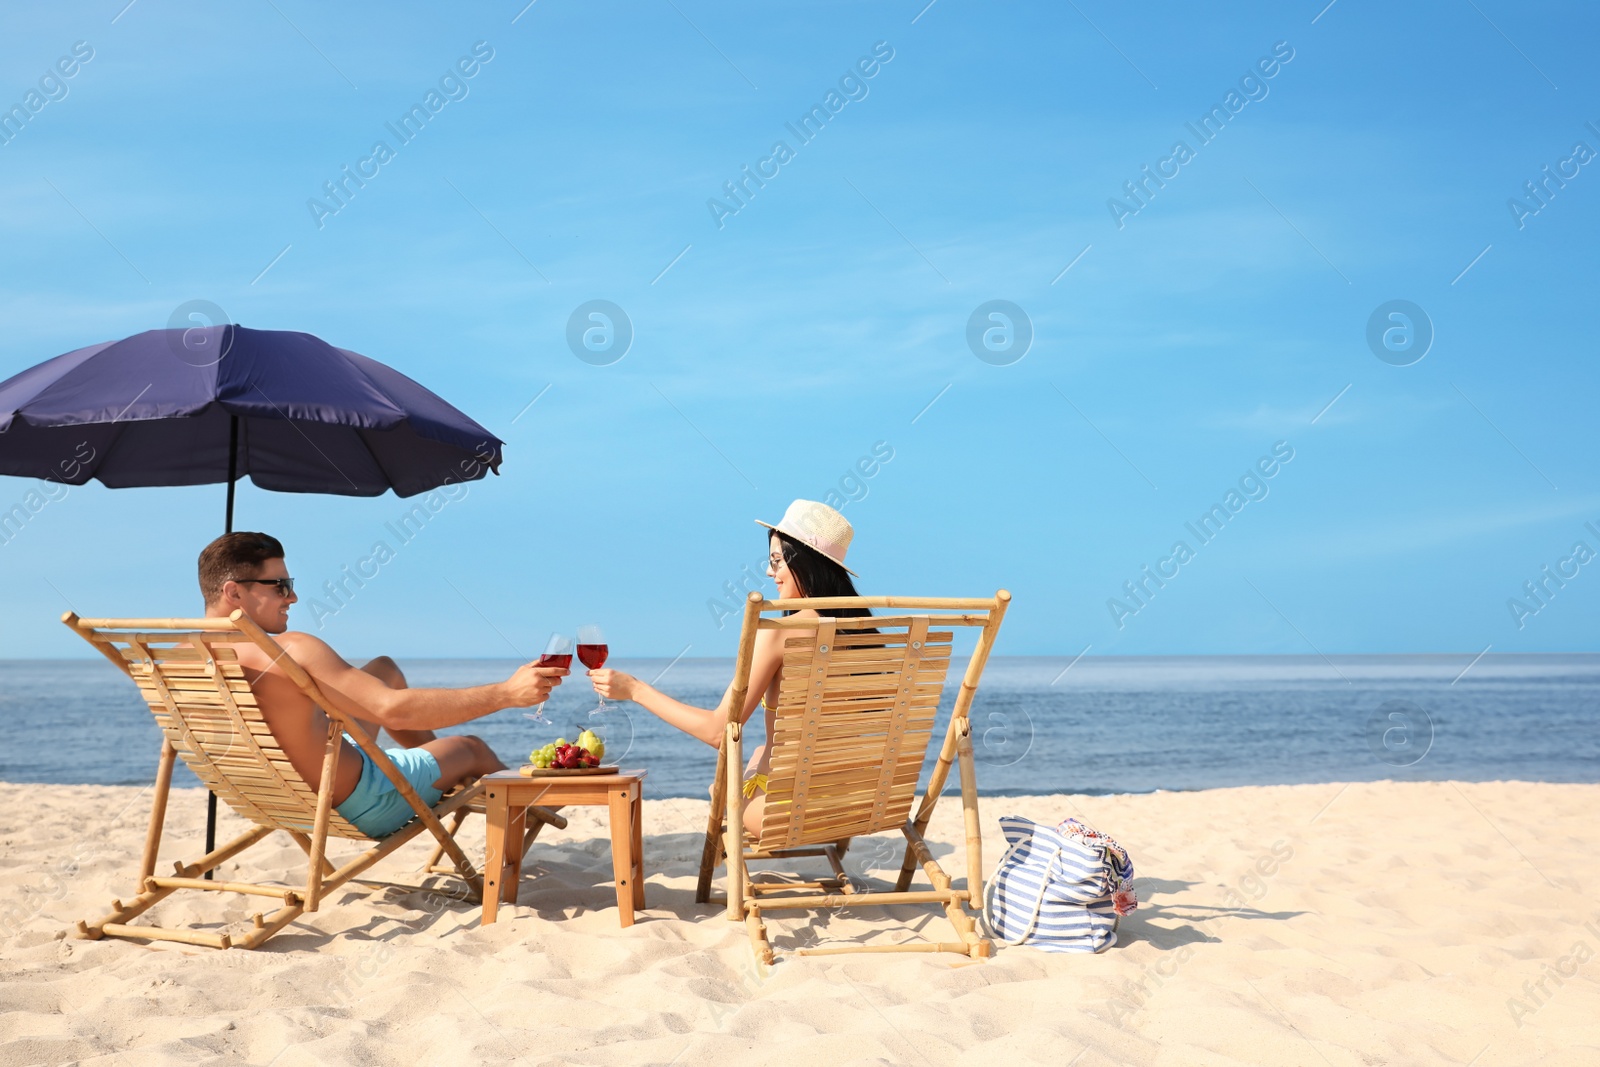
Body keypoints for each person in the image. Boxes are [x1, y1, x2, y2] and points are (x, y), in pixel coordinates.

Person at [198, 532, 566, 838]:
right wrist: (506, 693)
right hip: (363, 802)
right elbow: (394, 710)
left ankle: (429, 764)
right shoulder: (291, 649)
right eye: (280, 585)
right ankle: (536, 805)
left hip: (273, 798)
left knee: (384, 669)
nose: (292, 597)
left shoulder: (176, 655)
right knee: (470, 748)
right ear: (234, 592)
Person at [589, 500, 870, 836]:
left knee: (719, 790)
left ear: (805, 563)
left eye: (776, 561)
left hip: (788, 815)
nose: (769, 572)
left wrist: (635, 689)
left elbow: (716, 732)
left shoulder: (781, 633)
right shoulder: (866, 633)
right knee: (757, 750)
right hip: (858, 806)